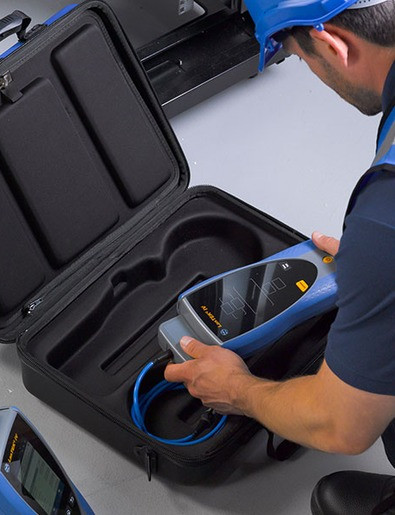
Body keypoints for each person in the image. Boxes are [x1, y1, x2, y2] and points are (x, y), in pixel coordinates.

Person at [164, 0, 395, 512]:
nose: (312, 72)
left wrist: (238, 388)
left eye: (301, 57)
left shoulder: (385, 215)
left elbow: (340, 426)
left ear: (334, 45)